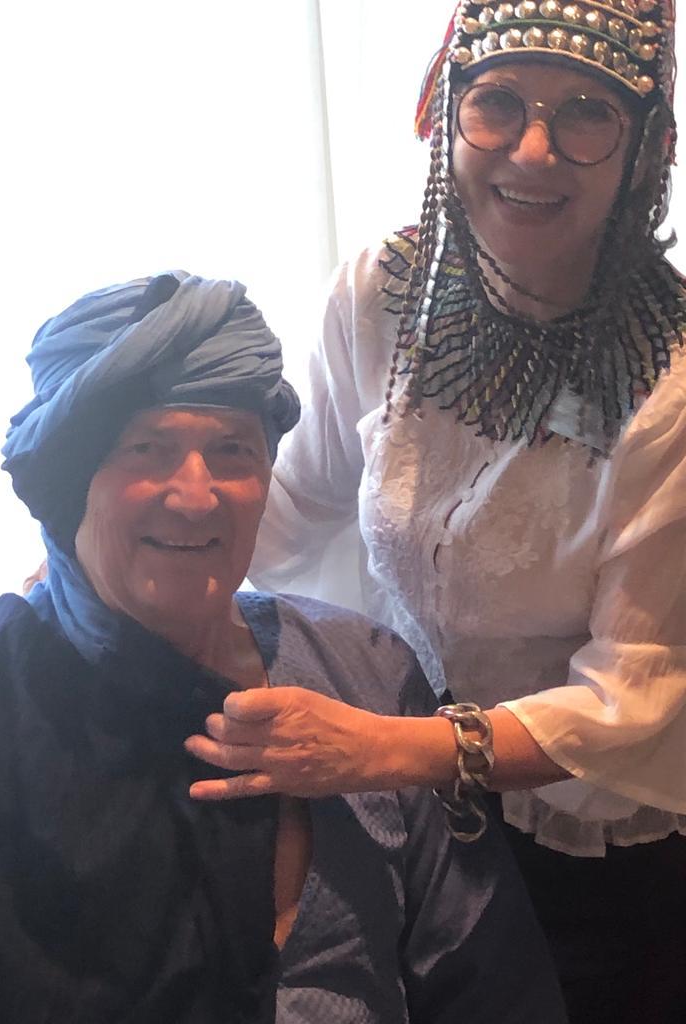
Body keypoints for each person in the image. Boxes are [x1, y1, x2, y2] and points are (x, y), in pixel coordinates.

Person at [185, 3, 686, 1021]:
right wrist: (106, 576)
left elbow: (630, 698)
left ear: (645, 147)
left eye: (586, 112)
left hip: (595, 843)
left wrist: (379, 747)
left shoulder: (670, 379)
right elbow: (299, 499)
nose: (533, 151)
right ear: (443, 110)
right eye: (498, 102)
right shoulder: (385, 292)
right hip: (416, 803)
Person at [0, 271, 567, 1023]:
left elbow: (487, 977)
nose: (195, 496)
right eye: (147, 448)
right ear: (70, 481)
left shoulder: (365, 672)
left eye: (232, 450)